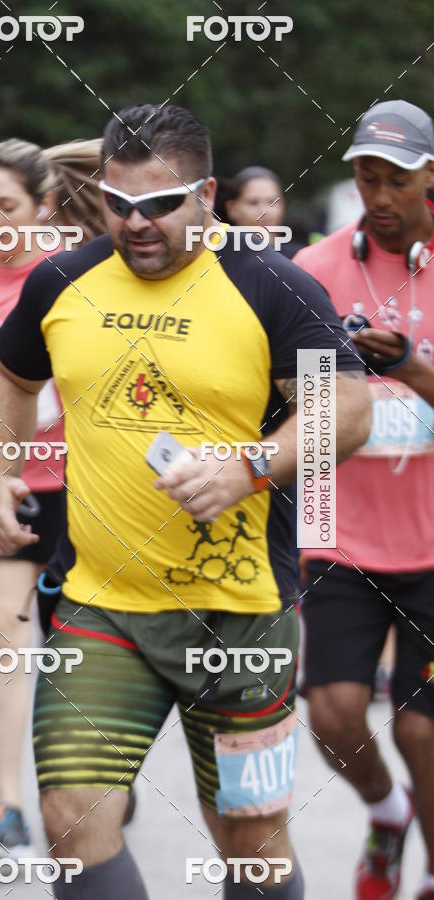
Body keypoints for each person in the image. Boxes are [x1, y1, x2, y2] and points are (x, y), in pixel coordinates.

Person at [0, 103, 372, 899]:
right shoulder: (65, 279)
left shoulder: (270, 285)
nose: (136, 223)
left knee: (250, 833)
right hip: (101, 605)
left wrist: (251, 466)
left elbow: (349, 411)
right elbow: (8, 374)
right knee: (70, 812)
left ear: (208, 194)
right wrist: (0, 471)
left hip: (241, 610)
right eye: (120, 204)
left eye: (159, 204)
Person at [0, 137, 104, 861]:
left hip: (80, 485)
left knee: (79, 651)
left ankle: (84, 791)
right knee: (2, 642)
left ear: (44, 206)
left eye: (9, 206)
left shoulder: (79, 272)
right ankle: (9, 808)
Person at [294, 99, 434, 900]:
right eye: (366, 178)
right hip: (338, 530)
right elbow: (284, 396)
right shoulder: (314, 270)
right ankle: (387, 820)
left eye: (397, 180)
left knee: (422, 729)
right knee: (337, 714)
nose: (380, 196)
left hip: (432, 540)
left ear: (429, 178)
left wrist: (410, 367)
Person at [215, 167, 304, 258]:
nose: (264, 211)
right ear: (231, 209)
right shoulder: (219, 259)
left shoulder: (301, 258)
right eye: (253, 202)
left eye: (272, 202)